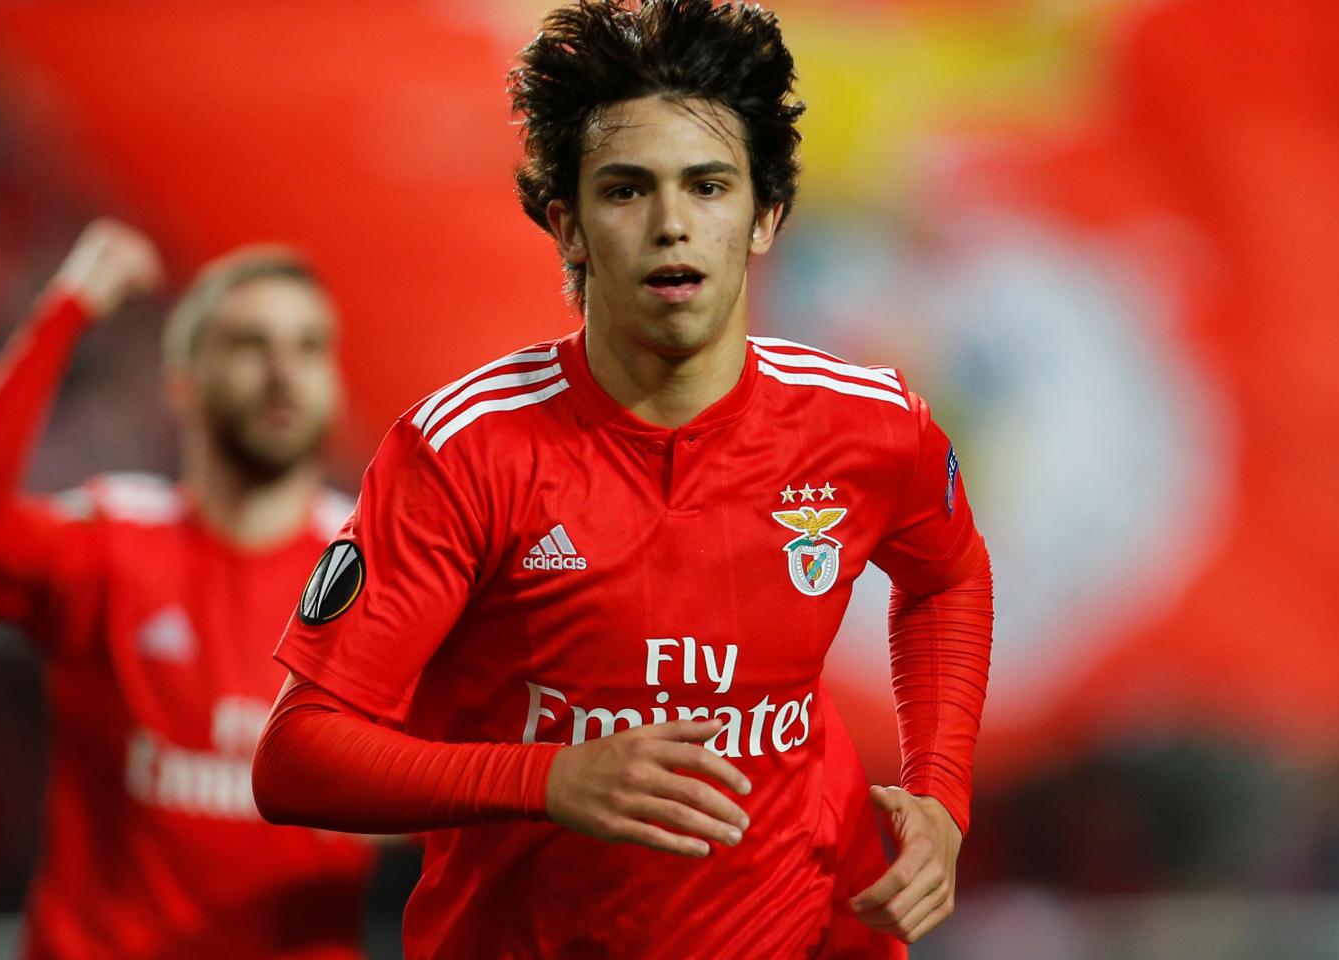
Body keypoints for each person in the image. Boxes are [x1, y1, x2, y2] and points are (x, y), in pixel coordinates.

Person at [252, 1, 993, 957]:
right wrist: (548, 780)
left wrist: (940, 796)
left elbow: (948, 578)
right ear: (567, 225)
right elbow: (297, 756)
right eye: (627, 190)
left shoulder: (872, 423)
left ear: (766, 216)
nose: (673, 225)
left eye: (711, 186)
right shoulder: (464, 451)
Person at [0, 220, 375, 959]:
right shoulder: (116, 539)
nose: (283, 371)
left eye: (307, 347)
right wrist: (70, 306)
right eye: (250, 344)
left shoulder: (380, 572)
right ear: (183, 384)